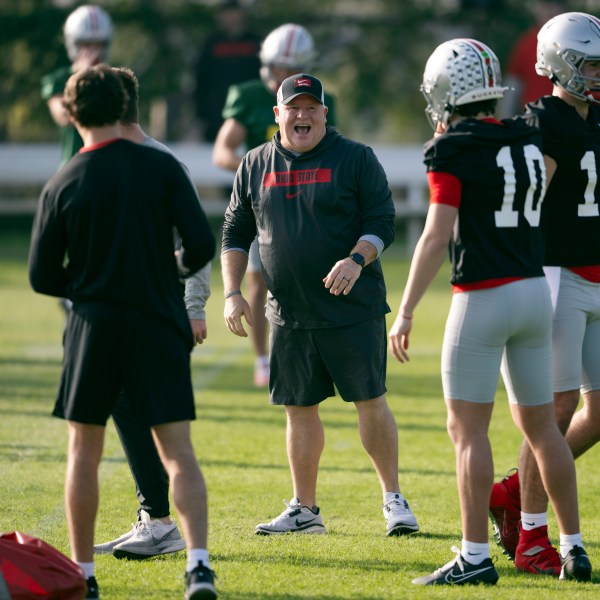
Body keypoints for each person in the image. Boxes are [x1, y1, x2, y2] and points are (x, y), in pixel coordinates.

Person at [388, 38, 591, 586]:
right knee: (546, 427)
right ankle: (572, 547)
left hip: (481, 294)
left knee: (468, 431)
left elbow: (435, 235)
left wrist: (405, 309)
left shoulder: (454, 146)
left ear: (444, 92)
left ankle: (474, 556)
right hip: (534, 291)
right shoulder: (526, 132)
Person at [28, 65, 217, 600]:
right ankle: (198, 566)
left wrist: (88, 283)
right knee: (177, 449)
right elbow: (200, 243)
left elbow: (42, 276)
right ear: (124, 109)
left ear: (71, 114)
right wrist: (166, 273)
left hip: (93, 325)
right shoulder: (161, 168)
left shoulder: (63, 180)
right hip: (157, 321)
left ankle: (84, 574)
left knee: (83, 451)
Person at [221, 73, 418, 537]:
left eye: (312, 107)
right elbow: (234, 232)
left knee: (370, 402)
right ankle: (305, 510)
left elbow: (383, 221)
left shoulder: (355, 158)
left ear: (325, 114)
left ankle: (393, 499)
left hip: (352, 307)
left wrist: (356, 259)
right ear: (278, 114)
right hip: (288, 313)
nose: (303, 115)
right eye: (294, 107)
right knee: (299, 409)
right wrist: (231, 292)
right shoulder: (254, 163)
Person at [489, 11, 600, 578]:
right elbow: (530, 206)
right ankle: (534, 530)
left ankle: (511, 489)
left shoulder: (598, 117)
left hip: (598, 274)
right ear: (561, 65)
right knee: (552, 412)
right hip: (558, 274)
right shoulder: (543, 122)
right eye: (590, 64)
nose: (599, 74)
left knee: (597, 412)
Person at [91, 67, 212, 561]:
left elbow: (195, 240)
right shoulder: (119, 161)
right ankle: (154, 516)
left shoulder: (160, 162)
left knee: (156, 418)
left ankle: (163, 524)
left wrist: (191, 304)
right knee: (127, 403)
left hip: (160, 315)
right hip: (131, 314)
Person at [213, 23, 336, 388]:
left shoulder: (319, 97)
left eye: (291, 67)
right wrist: (265, 173)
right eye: (279, 66)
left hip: (310, 202)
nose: (283, 74)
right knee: (257, 283)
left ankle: (319, 349)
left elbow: (333, 149)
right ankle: (263, 359)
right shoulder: (249, 95)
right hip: (263, 203)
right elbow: (223, 151)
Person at [41, 4, 114, 169]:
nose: (94, 52)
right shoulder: (59, 79)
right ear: (74, 44)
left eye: (98, 45)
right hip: (74, 166)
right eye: (87, 44)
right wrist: (83, 78)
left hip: (109, 165)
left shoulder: (114, 78)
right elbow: (64, 116)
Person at [193, 0, 261, 142]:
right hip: (216, 118)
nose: (230, 17)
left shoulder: (256, 43)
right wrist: (201, 116)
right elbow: (201, 80)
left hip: (251, 117)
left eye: (233, 12)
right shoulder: (211, 44)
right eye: (226, 13)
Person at [498, 1, 565, 118]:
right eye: (545, 7)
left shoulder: (573, 42)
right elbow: (513, 85)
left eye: (553, 6)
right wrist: (506, 121)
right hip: (533, 117)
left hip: (565, 117)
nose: (549, 11)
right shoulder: (526, 43)